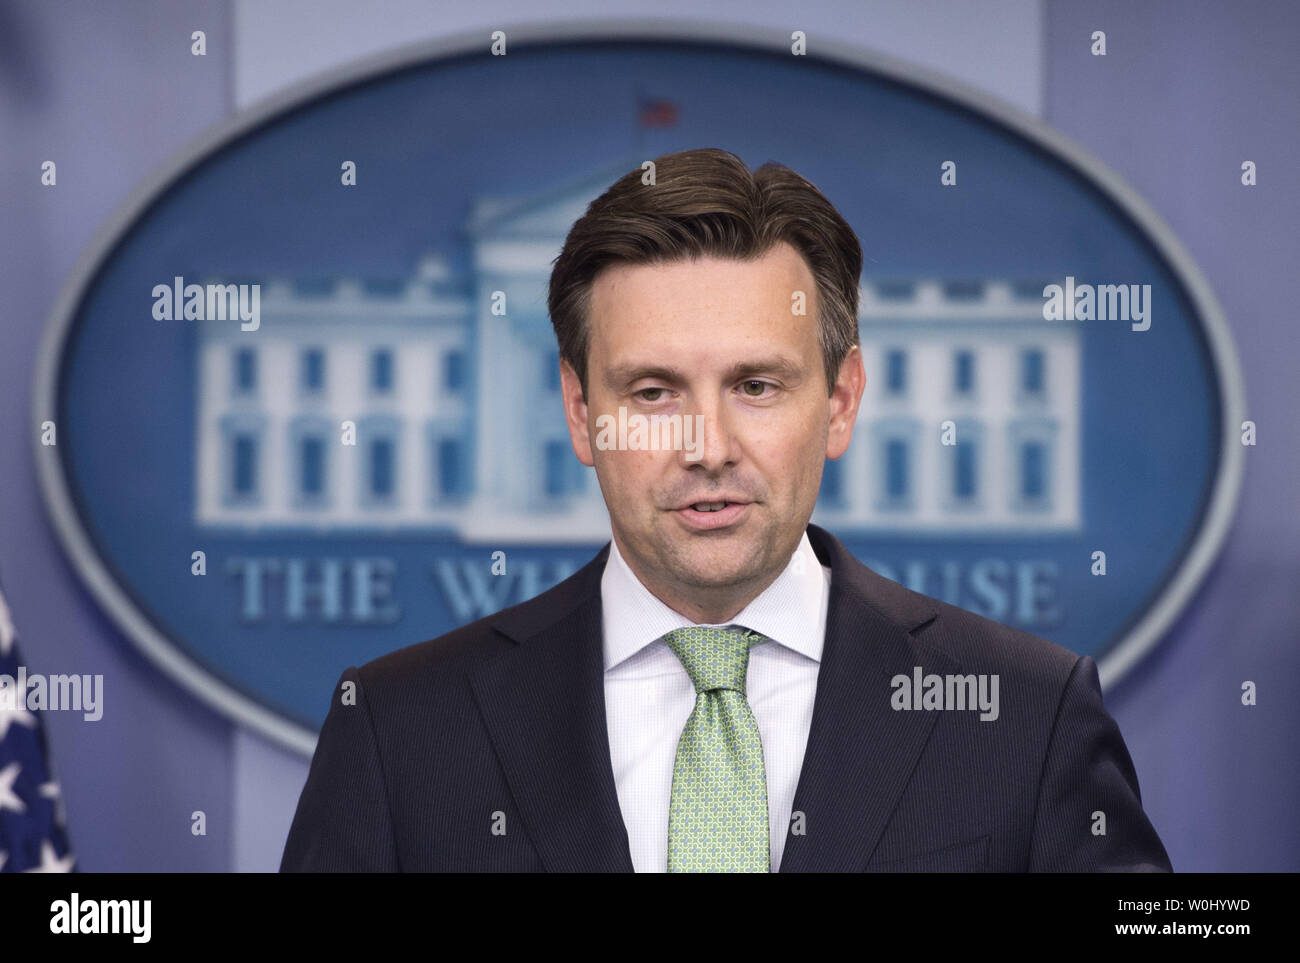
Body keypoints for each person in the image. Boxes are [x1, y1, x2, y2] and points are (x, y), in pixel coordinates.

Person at [281, 148, 1171, 872]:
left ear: (842, 400)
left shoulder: (1029, 716)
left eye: (755, 384)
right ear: (582, 413)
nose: (708, 445)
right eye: (655, 391)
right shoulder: (399, 731)